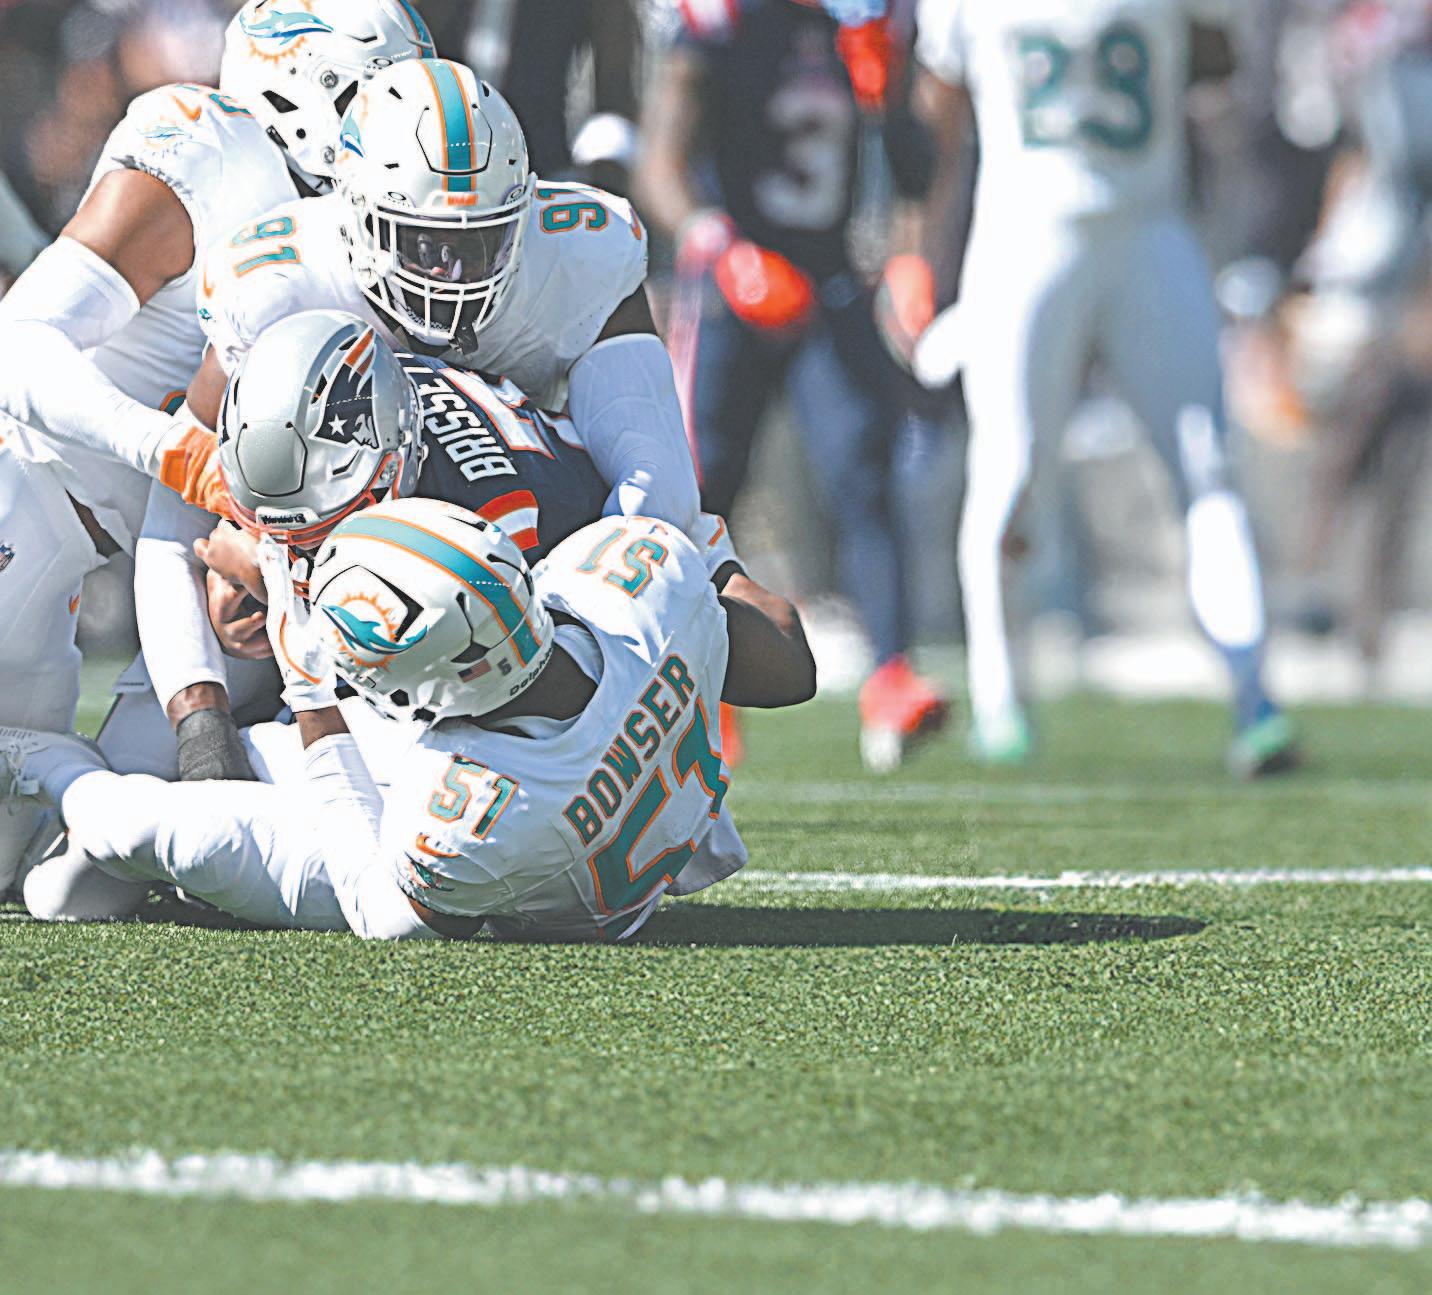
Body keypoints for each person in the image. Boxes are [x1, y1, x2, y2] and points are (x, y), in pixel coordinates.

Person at [0, 1, 438, 890]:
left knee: (69, 867)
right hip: (24, 499)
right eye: (377, 97)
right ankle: (54, 772)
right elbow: (18, 346)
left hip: (158, 552)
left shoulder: (359, 226)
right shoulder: (210, 156)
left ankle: (61, 778)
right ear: (305, 91)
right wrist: (171, 449)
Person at [5, 499, 817, 940]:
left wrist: (313, 690)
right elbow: (790, 662)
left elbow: (377, 908)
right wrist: (702, 568)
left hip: (497, 863)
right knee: (97, 870)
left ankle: (38, 759)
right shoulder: (634, 584)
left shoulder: (466, 815)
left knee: (153, 831)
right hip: (557, 762)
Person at [912, 0, 1299, 776]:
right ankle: (1005, 699)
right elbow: (1217, 57)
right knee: (1026, 468)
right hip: (1067, 226)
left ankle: (1250, 697)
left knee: (1186, 465)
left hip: (1100, 226)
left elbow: (938, 110)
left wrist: (923, 240)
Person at [636, 0, 948, 772]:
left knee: (863, 468)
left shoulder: (856, 25)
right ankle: (700, 686)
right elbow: (660, 164)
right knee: (702, 487)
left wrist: (887, 95)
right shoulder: (722, 23)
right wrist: (721, 248)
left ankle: (892, 676)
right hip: (732, 285)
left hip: (826, 280)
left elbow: (916, 173)